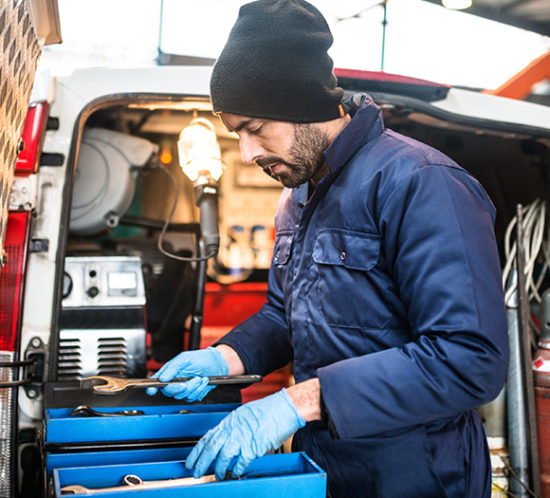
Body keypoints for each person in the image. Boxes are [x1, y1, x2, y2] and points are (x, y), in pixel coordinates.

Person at [147, 1, 509, 496]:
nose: (248, 153)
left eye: (255, 128)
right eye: (237, 134)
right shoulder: (296, 196)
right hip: (325, 464)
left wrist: (297, 403)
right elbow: (284, 315)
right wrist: (226, 357)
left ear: (303, 104)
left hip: (419, 472)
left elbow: (469, 358)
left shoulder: (422, 184)